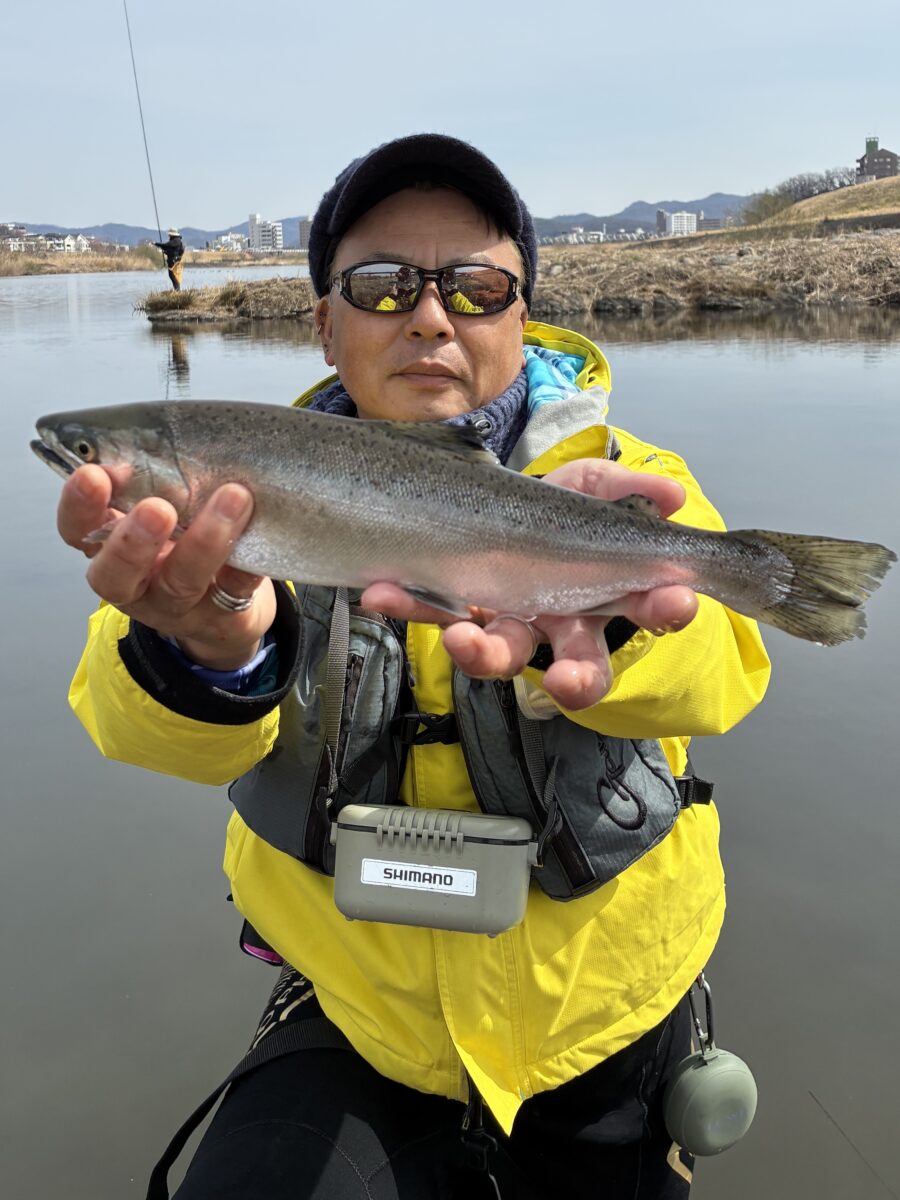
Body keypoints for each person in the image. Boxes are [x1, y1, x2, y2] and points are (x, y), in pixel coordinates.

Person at [56, 134, 771, 1199]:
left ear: (522, 317)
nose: (431, 315)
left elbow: (724, 684)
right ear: (325, 323)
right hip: (355, 1017)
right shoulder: (231, 514)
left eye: (477, 287)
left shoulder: (634, 488)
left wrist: (615, 625)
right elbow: (134, 732)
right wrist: (208, 648)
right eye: (383, 285)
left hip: (607, 1016)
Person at [153, 226, 185, 291]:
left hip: (174, 262)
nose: (169, 235)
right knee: (173, 276)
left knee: (173, 276)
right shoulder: (176, 241)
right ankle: (177, 290)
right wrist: (166, 252)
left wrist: (156, 243)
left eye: (169, 234)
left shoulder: (176, 241)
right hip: (174, 261)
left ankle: (177, 291)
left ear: (172, 234)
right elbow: (171, 249)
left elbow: (166, 245)